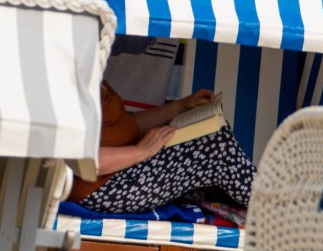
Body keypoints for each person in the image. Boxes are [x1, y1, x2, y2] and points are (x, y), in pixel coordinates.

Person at [69, 79, 256, 218]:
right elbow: (82, 160)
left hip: (122, 172)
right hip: (102, 188)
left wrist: (181, 106)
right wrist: (141, 152)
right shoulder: (63, 82)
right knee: (217, 148)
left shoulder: (89, 72)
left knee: (217, 129)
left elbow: (125, 125)